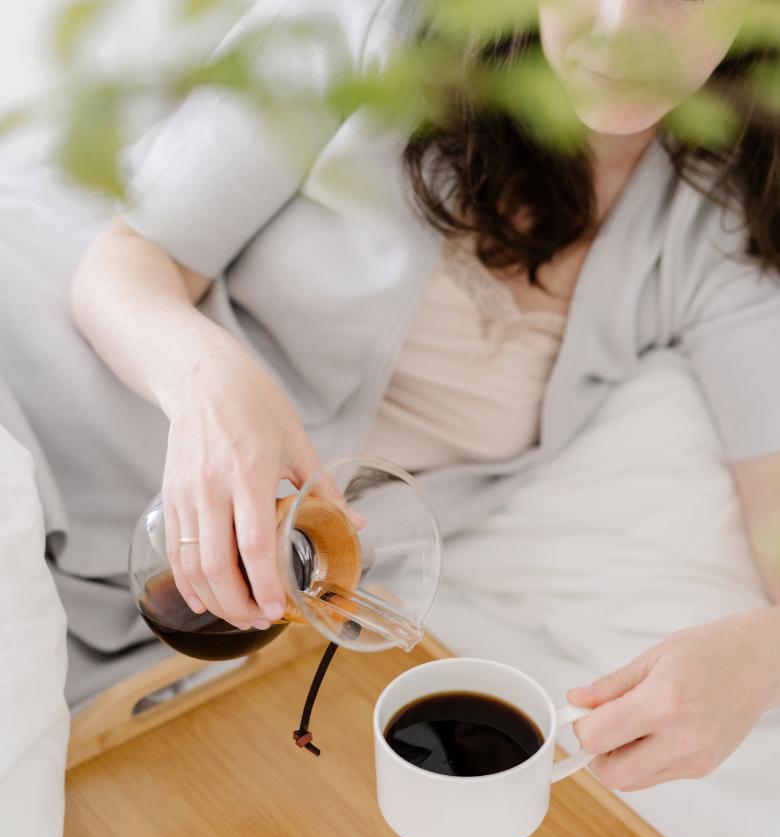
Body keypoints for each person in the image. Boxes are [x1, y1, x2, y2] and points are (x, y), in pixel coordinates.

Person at [3, 0, 779, 785]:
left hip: (168, 609)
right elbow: (126, 262)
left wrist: (759, 658)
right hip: (38, 410)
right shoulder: (376, 29)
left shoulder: (717, 233)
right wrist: (214, 386)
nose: (616, 29)